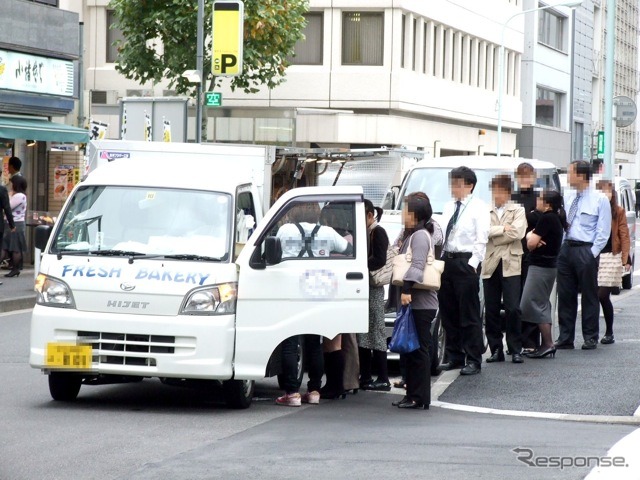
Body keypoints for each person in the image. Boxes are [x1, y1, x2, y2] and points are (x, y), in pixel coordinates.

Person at [274, 202, 352, 406]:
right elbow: (349, 250)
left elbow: (270, 252)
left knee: (290, 341)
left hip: (290, 291)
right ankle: (315, 390)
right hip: (317, 291)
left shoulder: (285, 230)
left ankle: (292, 393)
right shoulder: (327, 232)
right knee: (314, 342)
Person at [437, 166, 489, 376]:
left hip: (465, 262)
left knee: (469, 314)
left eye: (458, 184)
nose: (454, 188)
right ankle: (454, 356)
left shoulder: (478, 207)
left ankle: (473, 358)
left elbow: (481, 238)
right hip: (447, 261)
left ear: (470, 185)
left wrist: (472, 264)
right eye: (452, 184)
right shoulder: (449, 206)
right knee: (449, 312)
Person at [555, 161, 611, 351]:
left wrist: (592, 253)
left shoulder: (599, 199)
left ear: (581, 176)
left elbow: (603, 232)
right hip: (566, 248)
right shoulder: (568, 195)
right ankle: (565, 337)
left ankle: (590, 336)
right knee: (565, 295)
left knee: (589, 295)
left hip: (586, 249)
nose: (568, 177)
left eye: (570, 173)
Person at [391, 192, 438, 409]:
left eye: (406, 210)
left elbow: (417, 265)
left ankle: (419, 398)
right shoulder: (413, 234)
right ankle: (412, 394)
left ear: (415, 214)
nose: (402, 214)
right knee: (412, 351)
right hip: (415, 303)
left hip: (420, 303)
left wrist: (407, 289)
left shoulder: (420, 236)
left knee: (418, 351)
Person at [482, 175, 526, 364]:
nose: (496, 195)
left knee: (513, 308)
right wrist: (503, 229)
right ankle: (495, 349)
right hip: (490, 263)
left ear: (507, 192)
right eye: (494, 191)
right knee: (491, 309)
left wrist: (495, 233)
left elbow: (518, 232)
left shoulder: (518, 210)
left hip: (511, 263)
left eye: (499, 191)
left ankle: (516, 348)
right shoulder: (486, 211)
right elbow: (483, 232)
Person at [521, 191, 566, 359]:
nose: (536, 201)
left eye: (540, 199)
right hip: (547, 267)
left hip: (540, 267)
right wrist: (531, 236)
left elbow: (531, 244)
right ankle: (547, 343)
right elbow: (532, 238)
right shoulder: (554, 217)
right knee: (539, 302)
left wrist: (530, 237)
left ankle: (547, 343)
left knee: (530, 303)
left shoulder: (547, 218)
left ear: (547, 204)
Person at [358, 199, 391, 392]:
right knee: (364, 333)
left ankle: (383, 377)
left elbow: (380, 259)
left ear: (370, 215)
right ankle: (366, 376)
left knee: (376, 332)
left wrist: (361, 265)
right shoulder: (367, 232)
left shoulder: (378, 232)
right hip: (366, 287)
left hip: (374, 288)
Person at [595, 180, 631, 345]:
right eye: (601, 191)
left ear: (612, 194)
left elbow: (624, 234)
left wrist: (626, 258)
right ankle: (592, 333)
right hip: (594, 256)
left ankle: (609, 331)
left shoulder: (618, 211)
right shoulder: (593, 209)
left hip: (611, 255)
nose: (604, 194)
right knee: (592, 295)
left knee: (603, 295)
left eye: (607, 191)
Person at [512, 162, 542, 352]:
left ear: (534, 177)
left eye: (528, 176)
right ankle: (515, 342)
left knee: (529, 296)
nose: (524, 180)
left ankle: (530, 341)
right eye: (521, 176)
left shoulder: (539, 197)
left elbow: (542, 219)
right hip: (513, 252)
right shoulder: (511, 198)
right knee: (514, 300)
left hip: (532, 253)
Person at [1, 176, 27, 279]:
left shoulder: (19, 196)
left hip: (16, 224)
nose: (10, 185)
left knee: (15, 247)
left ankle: (15, 268)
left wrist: (8, 195)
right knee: (5, 246)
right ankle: (15, 268)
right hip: (11, 223)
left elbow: (7, 206)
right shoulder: (17, 195)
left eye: (11, 183)